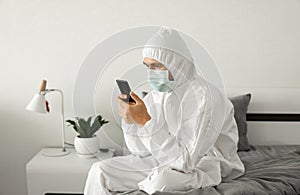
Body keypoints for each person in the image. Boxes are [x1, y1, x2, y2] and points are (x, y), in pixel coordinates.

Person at [84, 27, 244, 195]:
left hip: (206, 163)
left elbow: (184, 161)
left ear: (177, 64)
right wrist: (131, 122)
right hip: (166, 158)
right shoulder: (156, 95)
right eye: (147, 66)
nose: (151, 73)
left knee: (161, 181)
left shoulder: (204, 98)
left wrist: (145, 121)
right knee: (100, 170)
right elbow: (140, 151)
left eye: (157, 66)